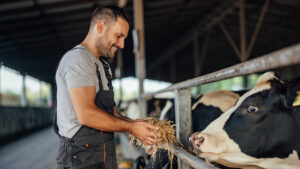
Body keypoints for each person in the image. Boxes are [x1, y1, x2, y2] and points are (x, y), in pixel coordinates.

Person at [55, 6, 161, 169]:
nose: (122, 44)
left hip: (100, 154)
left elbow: (106, 111)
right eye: (119, 36)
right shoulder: (78, 59)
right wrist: (132, 127)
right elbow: (86, 115)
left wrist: (134, 124)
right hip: (81, 159)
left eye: (124, 38)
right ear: (100, 27)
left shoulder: (99, 63)